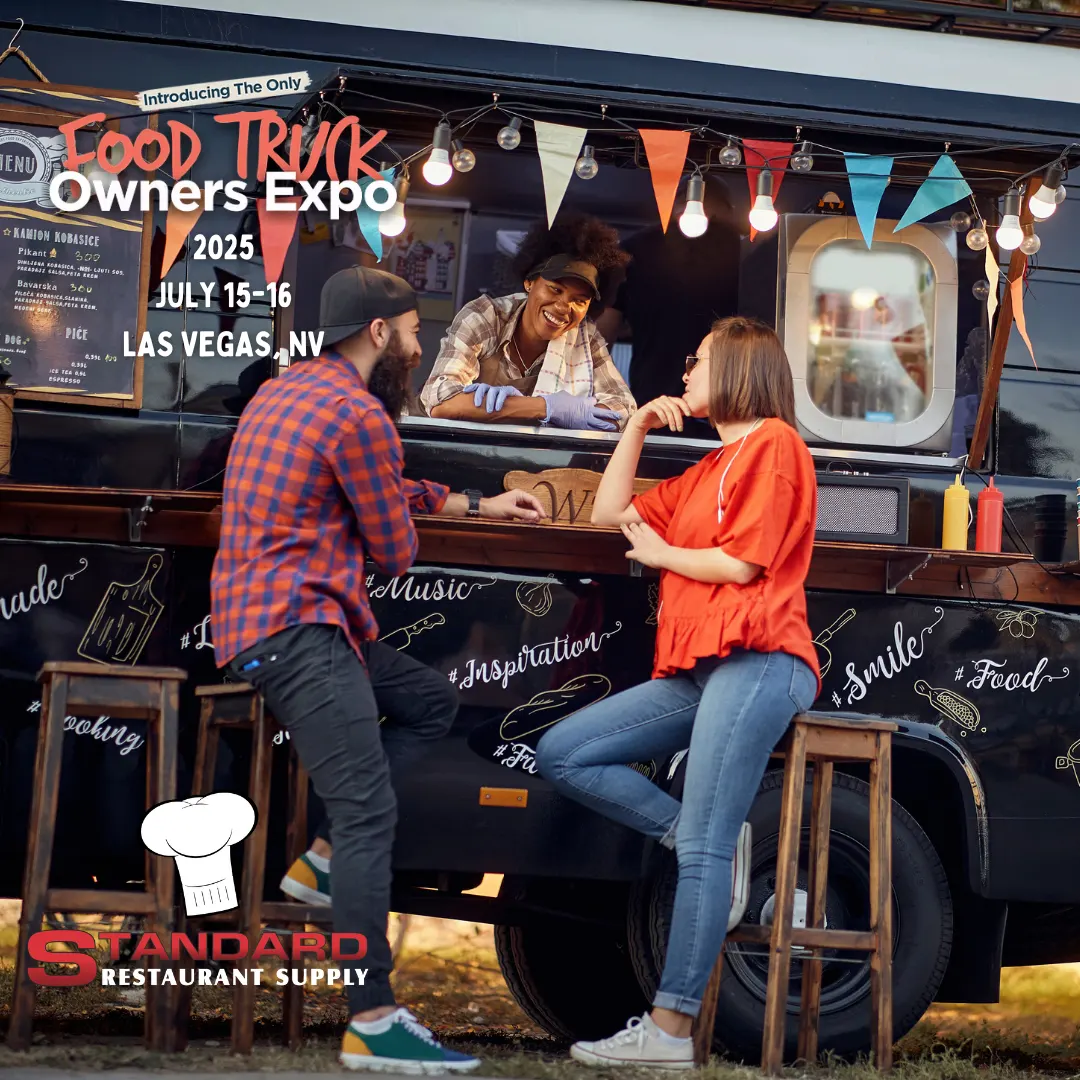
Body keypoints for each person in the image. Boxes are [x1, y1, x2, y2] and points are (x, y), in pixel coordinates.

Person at [210, 265, 545, 1073]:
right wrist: (417, 509)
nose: (421, 342)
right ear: (379, 333)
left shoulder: (282, 393)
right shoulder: (360, 416)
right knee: (368, 816)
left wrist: (474, 503)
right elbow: (393, 549)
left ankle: (323, 864)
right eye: (414, 327)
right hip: (302, 630)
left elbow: (379, 488)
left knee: (429, 698)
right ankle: (372, 1020)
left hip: (265, 625)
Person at [534, 316, 820, 1069]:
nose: (686, 370)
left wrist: (664, 555)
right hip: (702, 667)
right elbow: (607, 513)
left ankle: (669, 1032)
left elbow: (746, 564)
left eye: (698, 360)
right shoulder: (708, 465)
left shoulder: (775, 446)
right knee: (565, 750)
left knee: (702, 846)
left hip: (759, 658)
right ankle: (706, 848)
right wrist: (632, 426)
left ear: (737, 367)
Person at [419, 214, 637, 431]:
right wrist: (545, 408)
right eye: (555, 289)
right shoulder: (486, 317)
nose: (563, 308)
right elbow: (440, 401)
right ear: (529, 282)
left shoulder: (585, 337)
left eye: (579, 301)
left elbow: (624, 410)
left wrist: (497, 407)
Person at [593, 184, 740, 431]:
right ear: (727, 209)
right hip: (728, 414)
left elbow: (599, 343)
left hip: (652, 407)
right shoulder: (750, 253)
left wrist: (602, 404)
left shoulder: (632, 250)